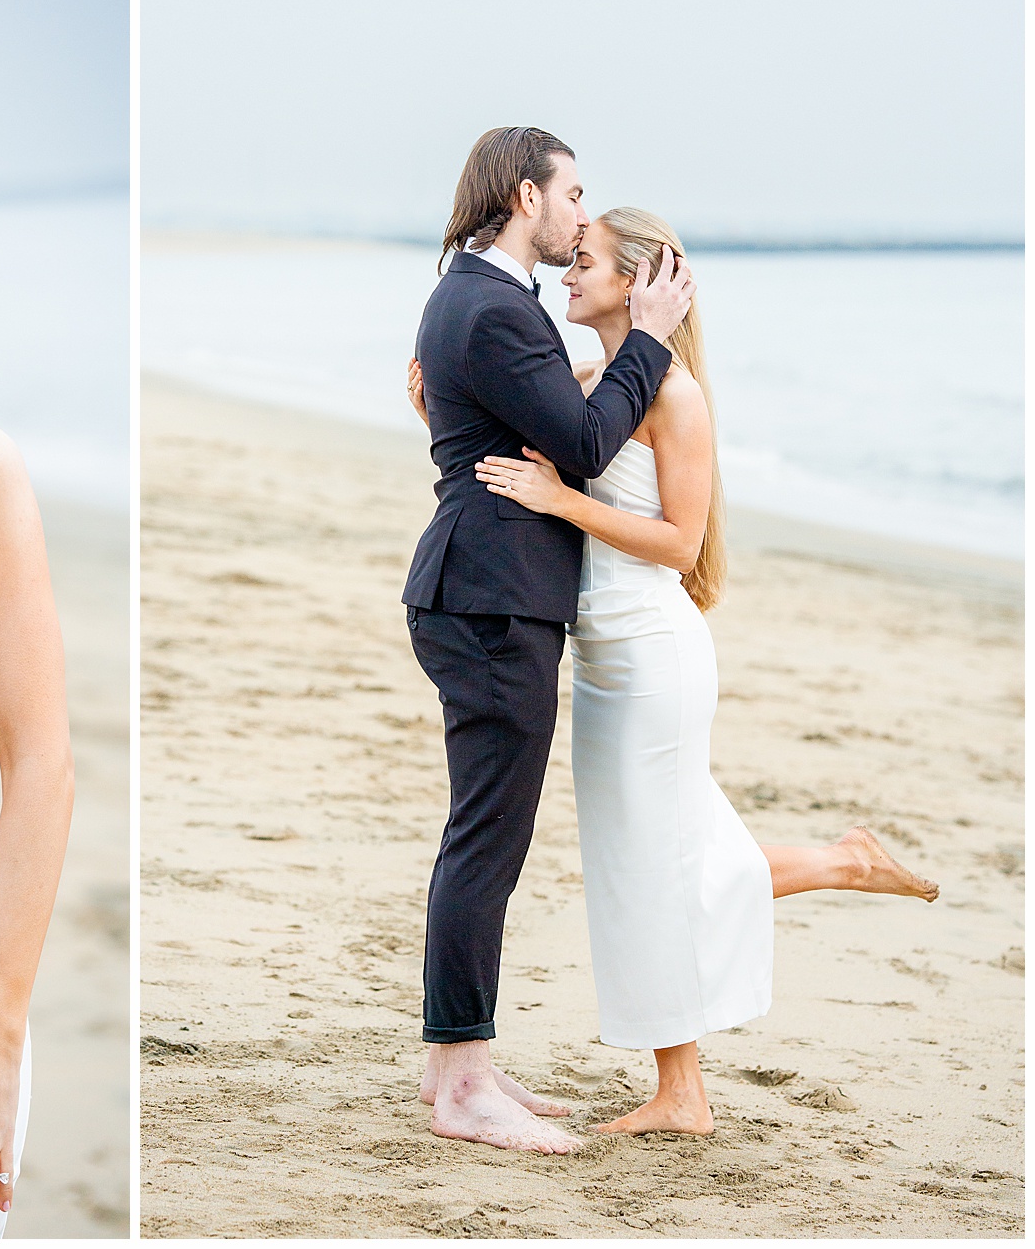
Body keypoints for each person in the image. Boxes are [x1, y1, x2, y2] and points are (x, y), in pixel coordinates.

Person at [455, 207, 938, 1136]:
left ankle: (686, 1094)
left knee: (658, 866)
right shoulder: (594, 379)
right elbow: (516, 461)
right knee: (647, 866)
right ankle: (839, 866)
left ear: (636, 281)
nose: (568, 272)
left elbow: (680, 543)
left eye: (585, 261)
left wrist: (562, 500)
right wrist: (436, 409)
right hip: (602, 655)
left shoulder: (674, 396)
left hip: (654, 657)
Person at [401, 126, 693, 1154]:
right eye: (573, 193)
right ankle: (463, 1083)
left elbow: (524, 411)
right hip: (489, 599)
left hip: (485, 591)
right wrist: (649, 339)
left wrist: (594, 361)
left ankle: (460, 1065)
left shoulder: (481, 300)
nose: (581, 212)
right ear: (526, 196)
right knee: (487, 839)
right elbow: (579, 446)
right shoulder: (487, 306)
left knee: (484, 835)